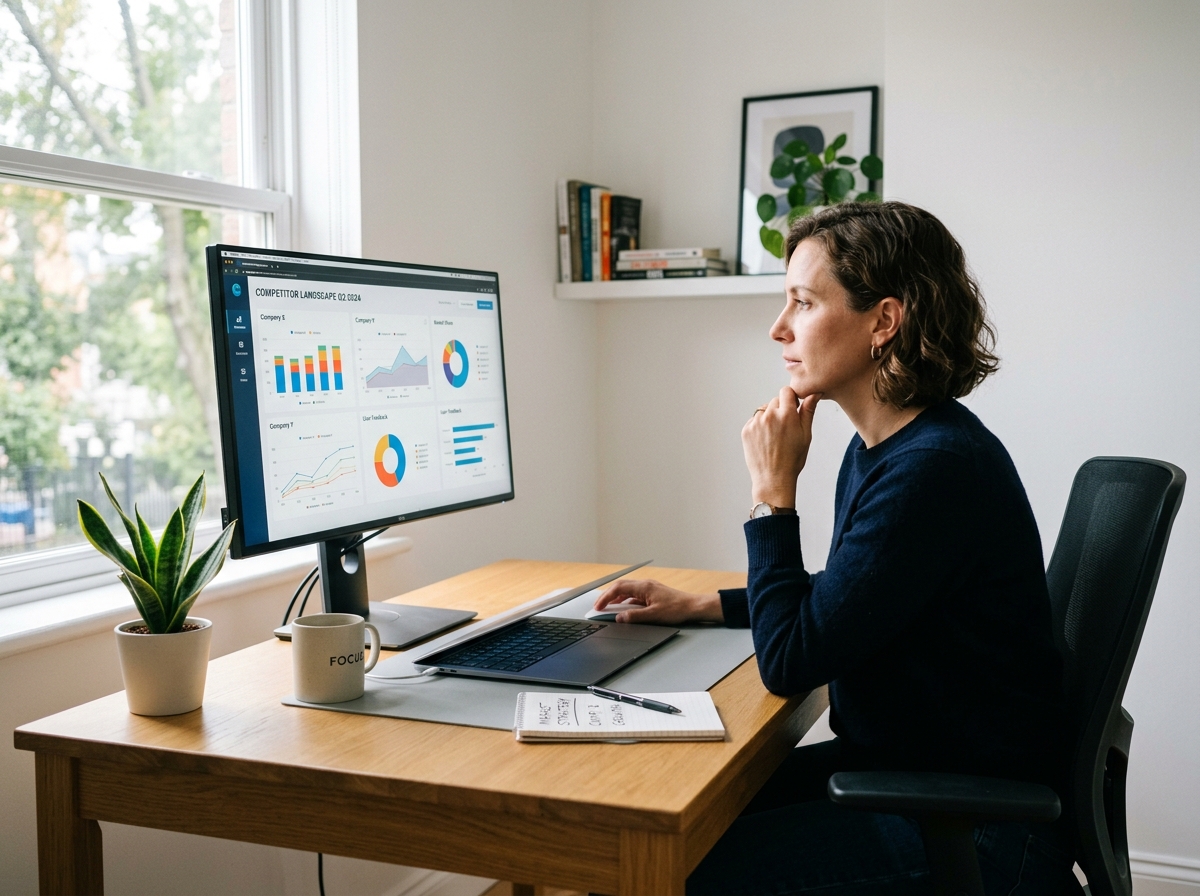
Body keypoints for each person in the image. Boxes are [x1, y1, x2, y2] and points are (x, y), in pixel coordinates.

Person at [593, 202, 1079, 894]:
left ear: (883, 321)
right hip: (913, 780)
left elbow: (791, 663)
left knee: (658, 872)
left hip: (967, 828)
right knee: (650, 826)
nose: (778, 328)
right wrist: (700, 603)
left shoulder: (933, 469)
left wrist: (772, 494)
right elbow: (853, 594)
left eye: (802, 302)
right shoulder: (894, 446)